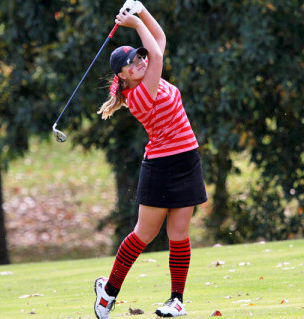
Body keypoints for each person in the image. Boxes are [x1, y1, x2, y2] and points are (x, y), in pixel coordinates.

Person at [94, 1, 207, 318]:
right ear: (124, 74)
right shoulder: (141, 94)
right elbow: (156, 52)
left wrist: (142, 12)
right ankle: (109, 294)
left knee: (179, 234)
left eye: (139, 56)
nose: (141, 60)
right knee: (144, 234)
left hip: (187, 161)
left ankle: (176, 300)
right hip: (160, 167)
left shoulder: (146, 78)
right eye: (133, 60)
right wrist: (134, 24)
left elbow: (160, 40)